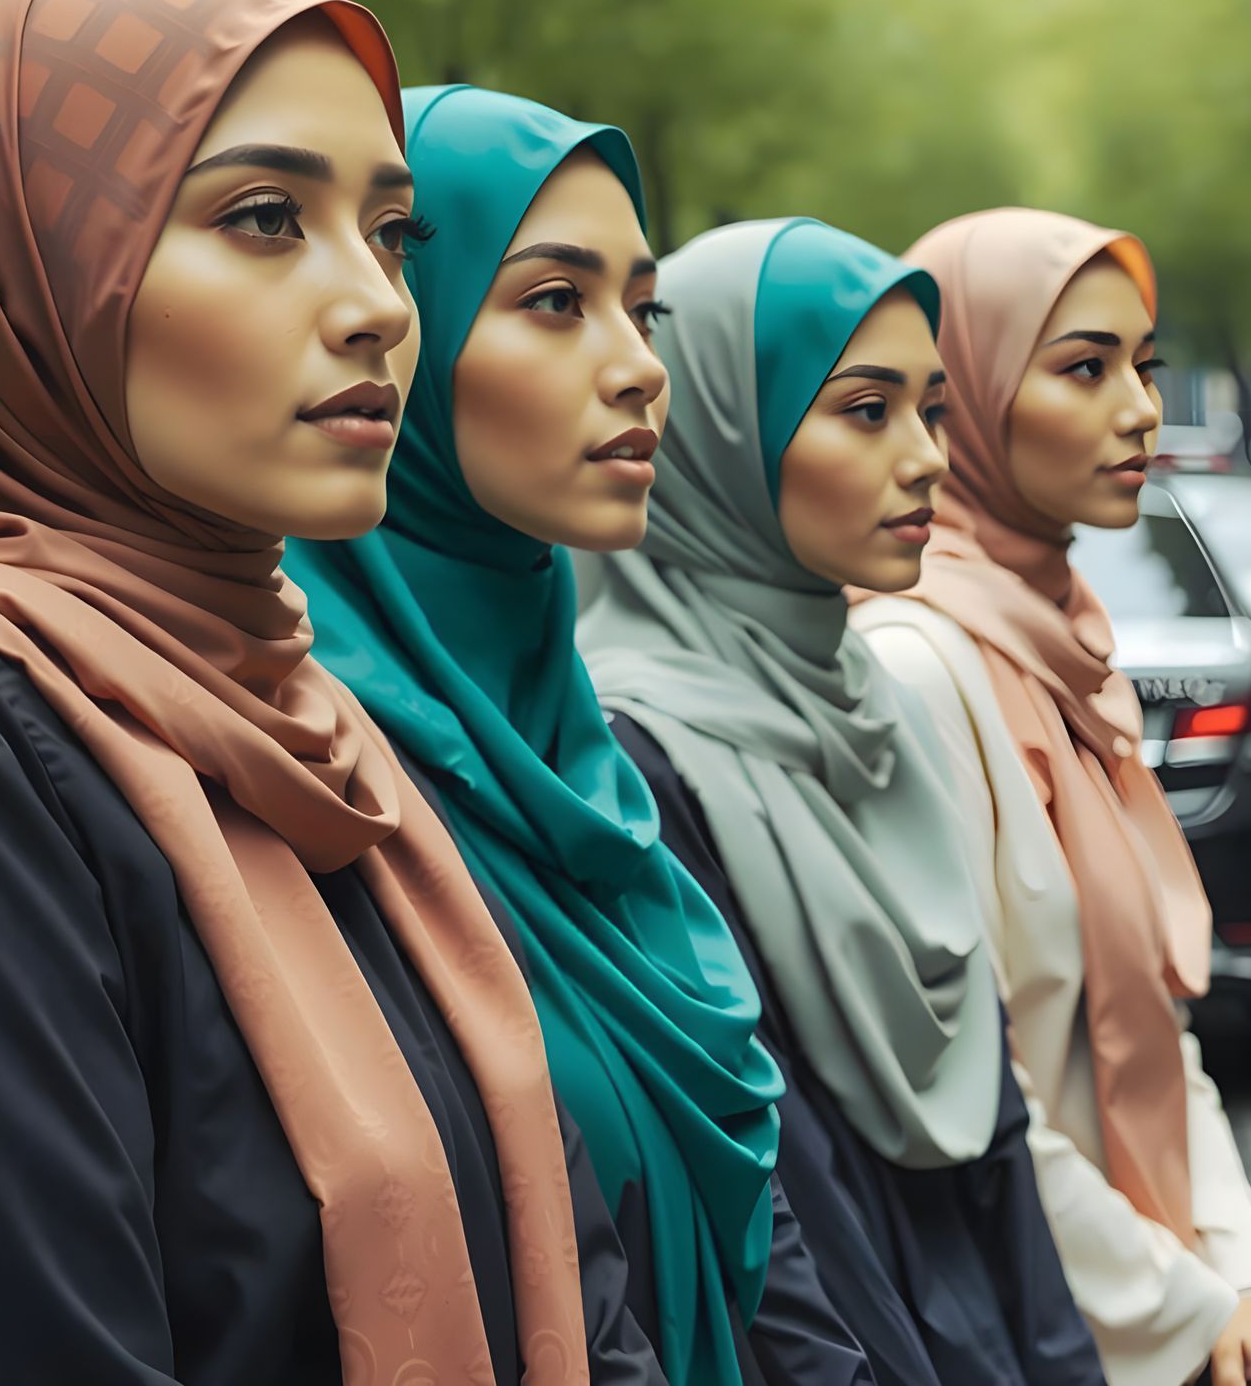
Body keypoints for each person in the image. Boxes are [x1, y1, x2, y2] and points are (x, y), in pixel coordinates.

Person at [0, 0, 664, 1386]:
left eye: (392, 233)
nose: (379, 304)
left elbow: (577, 1285)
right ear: (9, 264)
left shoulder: (295, 708)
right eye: (266, 216)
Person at [289, 85, 883, 1386]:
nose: (639, 365)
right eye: (557, 300)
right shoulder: (304, 772)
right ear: (405, 332)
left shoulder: (571, 743)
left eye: (642, 308)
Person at [577, 216, 1106, 1385]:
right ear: (720, 429)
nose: (924, 458)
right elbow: (778, 1188)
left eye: (932, 410)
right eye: (866, 410)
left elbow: (994, 1125)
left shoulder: (880, 706)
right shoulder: (632, 758)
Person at [851, 207, 1251, 1386]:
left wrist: (1248, 1280)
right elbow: (973, 1094)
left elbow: (1149, 1017)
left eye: (1144, 366)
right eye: (1085, 368)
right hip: (1038, 1325)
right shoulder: (913, 664)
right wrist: (1192, 1312)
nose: (1140, 409)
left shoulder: (1061, 647)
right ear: (963, 396)